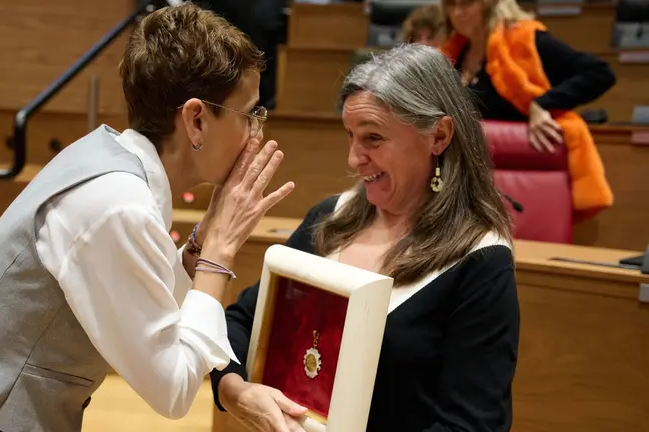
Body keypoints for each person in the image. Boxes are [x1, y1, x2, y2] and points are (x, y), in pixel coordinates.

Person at [0, 4, 294, 432]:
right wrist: (219, 252)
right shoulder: (117, 203)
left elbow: (150, 299)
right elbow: (174, 389)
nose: (257, 133)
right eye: (251, 114)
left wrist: (203, 242)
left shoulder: (113, 163)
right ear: (197, 120)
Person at [210, 44, 520, 432]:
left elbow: (473, 425)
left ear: (438, 136)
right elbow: (242, 321)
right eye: (350, 136)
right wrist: (236, 392)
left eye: (373, 138)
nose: (355, 158)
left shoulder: (481, 261)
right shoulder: (329, 218)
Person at [439, 0, 615, 218]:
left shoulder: (522, 39)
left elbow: (599, 73)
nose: (457, 12)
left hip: (523, 183)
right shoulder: (451, 54)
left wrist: (543, 104)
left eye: (466, 3)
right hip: (465, 179)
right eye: (451, 4)